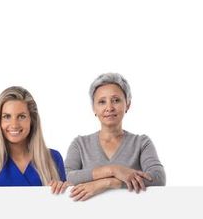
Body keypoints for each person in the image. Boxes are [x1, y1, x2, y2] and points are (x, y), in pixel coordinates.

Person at [65, 72, 166, 201]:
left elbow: (158, 178)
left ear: (127, 104)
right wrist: (113, 170)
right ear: (94, 108)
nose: (109, 107)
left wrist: (109, 183)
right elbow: (68, 176)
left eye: (116, 100)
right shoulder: (80, 144)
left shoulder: (142, 143)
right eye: (102, 102)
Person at [0, 86, 67, 195]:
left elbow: (63, 208)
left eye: (21, 116)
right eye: (7, 117)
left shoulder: (52, 159)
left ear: (32, 120)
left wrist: (67, 190)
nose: (14, 125)